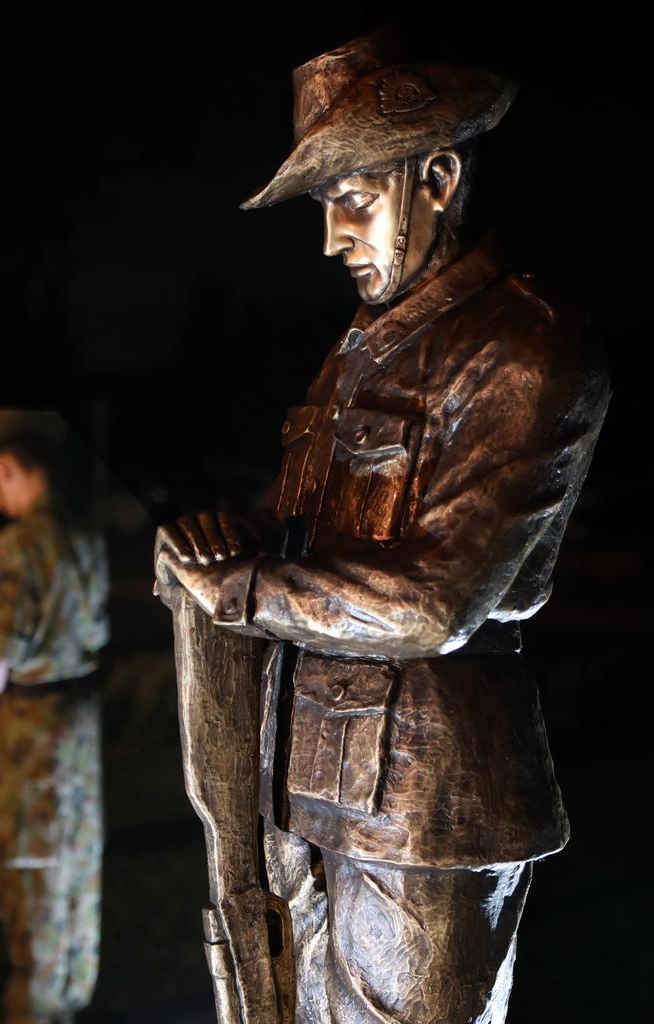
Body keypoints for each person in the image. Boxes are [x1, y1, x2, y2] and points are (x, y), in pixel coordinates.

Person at [154, 31, 610, 1024]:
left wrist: (246, 588)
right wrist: (236, 547)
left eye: (352, 198)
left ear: (439, 175)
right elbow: (321, 546)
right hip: (313, 785)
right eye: (326, 206)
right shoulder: (359, 351)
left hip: (432, 811)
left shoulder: (524, 346)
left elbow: (436, 601)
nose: (332, 238)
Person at [0, 409, 109, 1024]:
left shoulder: (20, 542)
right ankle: (69, 994)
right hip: (80, 726)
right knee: (74, 869)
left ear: (9, 468)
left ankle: (36, 1009)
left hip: (32, 733)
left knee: (33, 879)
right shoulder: (85, 534)